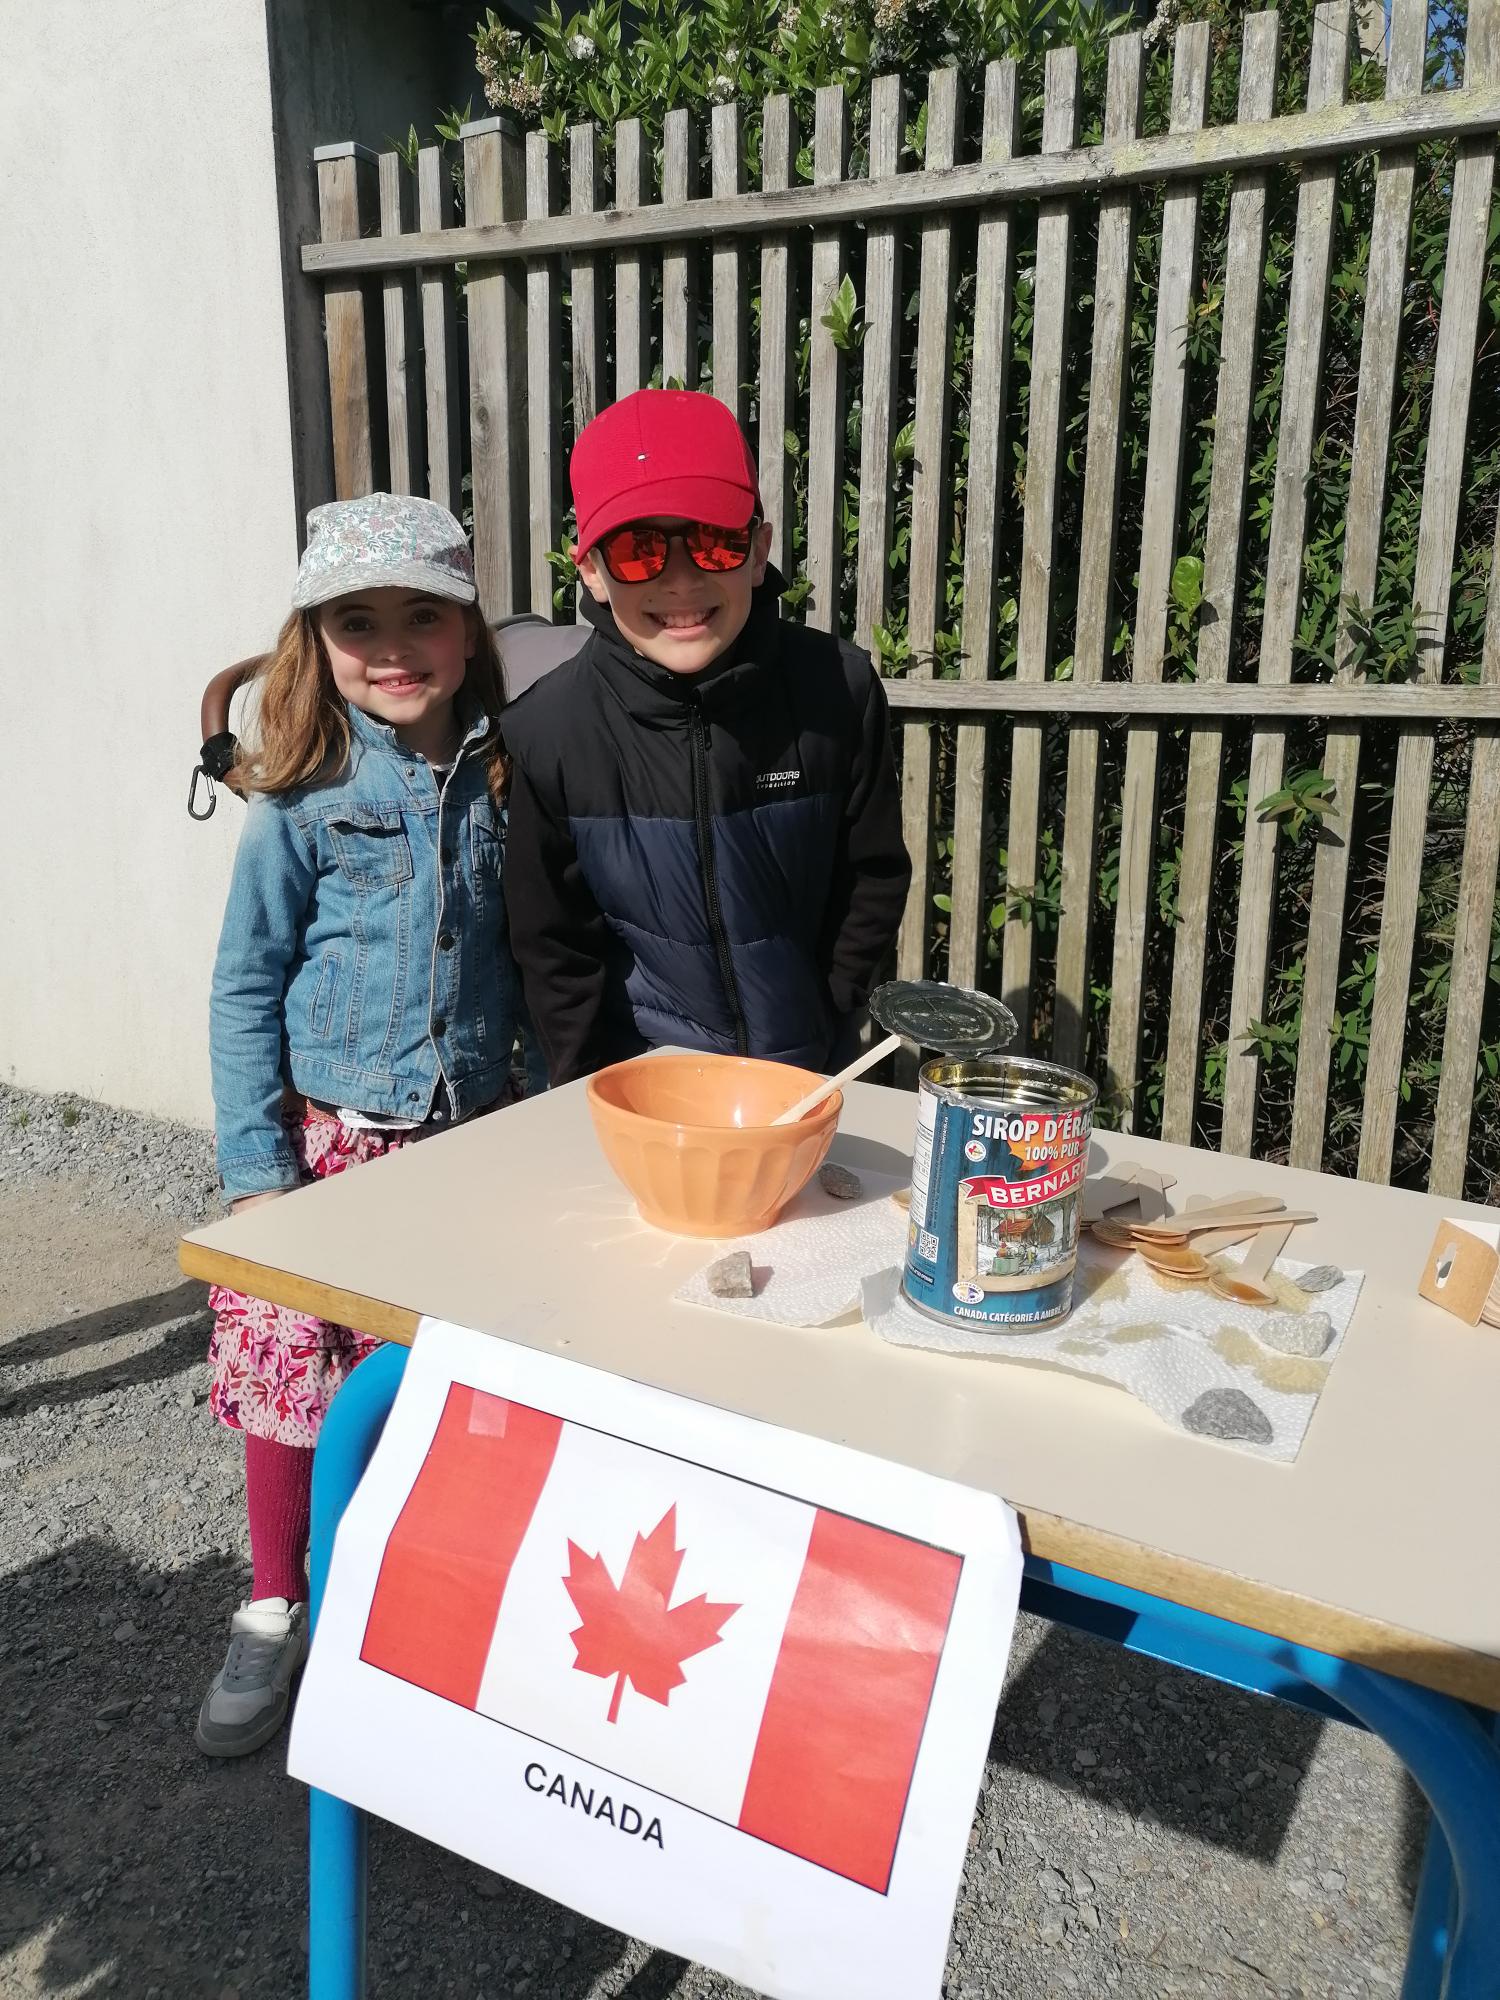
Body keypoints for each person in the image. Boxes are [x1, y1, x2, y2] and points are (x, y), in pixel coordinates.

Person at [199, 492, 540, 1756]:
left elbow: (535, 958)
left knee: (436, 1381)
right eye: (359, 622)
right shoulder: (302, 793)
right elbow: (247, 981)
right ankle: (273, 1600)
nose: (393, 648)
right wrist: (258, 1173)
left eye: (422, 617)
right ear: (318, 638)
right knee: (290, 1372)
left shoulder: (511, 774)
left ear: (466, 630)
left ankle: (407, 1601)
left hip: (465, 1145)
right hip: (329, 1149)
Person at [502, 388, 912, 1084]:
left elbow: (871, 877)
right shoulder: (549, 730)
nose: (681, 580)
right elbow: (553, 947)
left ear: (757, 551)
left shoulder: (837, 691)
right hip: (646, 1095)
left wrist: (831, 1012)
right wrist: (591, 1088)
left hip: (809, 1081)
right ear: (591, 570)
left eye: (713, 541)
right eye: (638, 551)